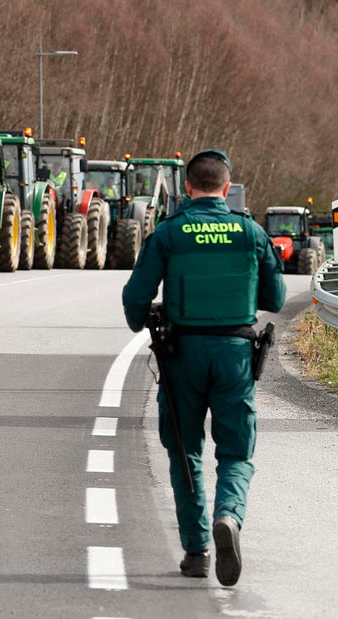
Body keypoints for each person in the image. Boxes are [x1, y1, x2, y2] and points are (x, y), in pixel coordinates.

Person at [122, 149, 285, 586]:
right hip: (235, 354)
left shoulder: (169, 233)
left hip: (182, 355)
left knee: (184, 449)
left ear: (188, 188)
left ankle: (196, 552)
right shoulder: (250, 232)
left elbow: (135, 298)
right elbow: (277, 299)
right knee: (235, 451)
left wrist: (143, 318)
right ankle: (229, 516)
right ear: (227, 190)